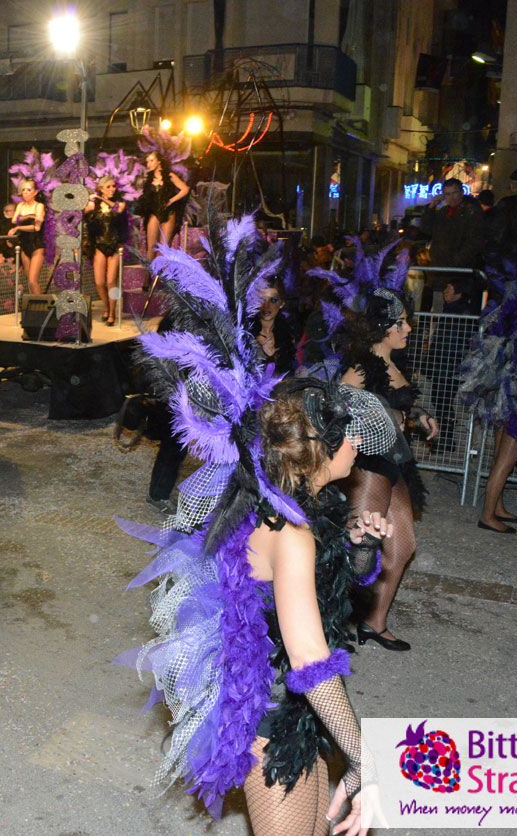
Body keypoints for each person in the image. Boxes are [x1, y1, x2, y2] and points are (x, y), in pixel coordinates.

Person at [122, 215, 392, 835]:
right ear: (325, 448)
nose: (361, 449)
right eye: (353, 438)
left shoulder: (304, 506)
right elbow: (311, 659)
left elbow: (321, 595)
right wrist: (366, 758)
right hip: (269, 719)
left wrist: (353, 548)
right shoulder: (289, 529)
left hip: (297, 719)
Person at [339, 285, 436, 651]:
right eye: (402, 323)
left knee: (403, 547)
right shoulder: (361, 369)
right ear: (384, 328)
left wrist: (418, 416)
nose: (408, 330)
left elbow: (399, 407)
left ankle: (373, 622)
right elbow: (333, 413)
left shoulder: (393, 364)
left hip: (396, 464)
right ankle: (327, 628)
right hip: (367, 467)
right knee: (357, 553)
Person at [457, 258, 517, 533]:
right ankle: (488, 515)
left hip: (503, 396)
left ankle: (496, 507)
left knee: (500, 456)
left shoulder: (509, 319)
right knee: (506, 460)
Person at [424, 276, 474, 454]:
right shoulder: (450, 311)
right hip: (443, 364)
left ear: (458, 294)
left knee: (442, 401)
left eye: (449, 289)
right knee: (439, 401)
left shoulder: (460, 314)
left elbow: (453, 342)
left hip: (449, 365)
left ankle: (446, 440)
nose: (445, 293)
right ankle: (446, 439)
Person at [420, 179, 484, 309]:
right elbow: (427, 230)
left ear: (461, 192)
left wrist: (454, 264)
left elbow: (472, 244)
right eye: (447, 194)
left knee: (453, 315)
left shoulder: (472, 212)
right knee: (437, 312)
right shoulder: (444, 212)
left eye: (454, 193)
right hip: (441, 270)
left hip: (457, 273)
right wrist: (431, 208)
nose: (451, 198)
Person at [84, 176, 128, 326]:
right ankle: (107, 307)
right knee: (99, 282)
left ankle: (112, 314)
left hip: (114, 245)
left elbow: (117, 209)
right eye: (108, 187)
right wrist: (91, 200)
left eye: (113, 186)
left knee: (111, 281)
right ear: (101, 189)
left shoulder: (119, 203)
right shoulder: (95, 205)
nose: (112, 189)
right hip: (99, 245)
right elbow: (85, 213)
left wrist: (100, 199)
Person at [138, 150, 190, 262]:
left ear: (159, 161)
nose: (149, 164)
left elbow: (185, 189)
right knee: (151, 248)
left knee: (164, 248)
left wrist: (171, 200)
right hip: (154, 212)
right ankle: (148, 278)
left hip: (168, 213)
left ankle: (163, 278)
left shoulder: (169, 176)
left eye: (151, 161)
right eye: (147, 162)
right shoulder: (149, 179)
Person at [250, 279, 299, 376]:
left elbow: (288, 369)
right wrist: (261, 353)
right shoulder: (245, 330)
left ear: (281, 304)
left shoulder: (287, 334)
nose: (266, 306)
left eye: (273, 300)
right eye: (262, 300)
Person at [8, 179, 46, 295]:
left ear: (35, 192)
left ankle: (41, 308)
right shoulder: (20, 205)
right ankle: (34, 307)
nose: (25, 192)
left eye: (29, 190)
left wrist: (19, 227)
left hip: (37, 244)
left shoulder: (39, 206)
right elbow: (14, 219)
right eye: (23, 190)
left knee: (33, 280)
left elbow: (36, 227)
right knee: (29, 281)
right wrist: (30, 216)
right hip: (24, 244)